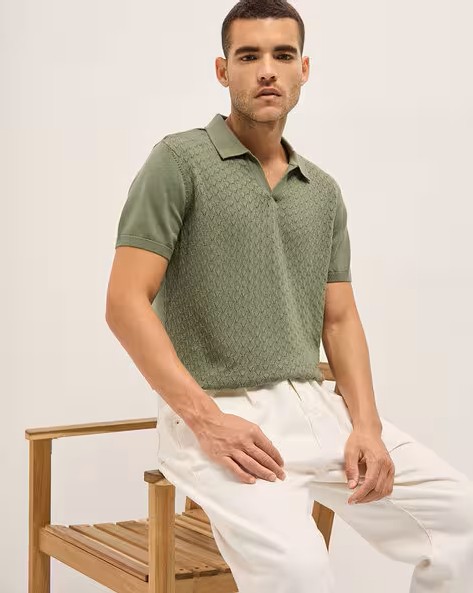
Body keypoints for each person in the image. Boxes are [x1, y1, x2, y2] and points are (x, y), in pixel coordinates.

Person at [105, 1, 473, 591]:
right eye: (248, 56)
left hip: (316, 406)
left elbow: (340, 318)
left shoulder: (321, 190)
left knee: (463, 519)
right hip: (222, 412)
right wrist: (207, 420)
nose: (266, 71)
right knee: (300, 572)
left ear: (304, 68)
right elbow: (125, 302)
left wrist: (368, 427)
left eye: (282, 55)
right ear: (223, 70)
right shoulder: (179, 162)